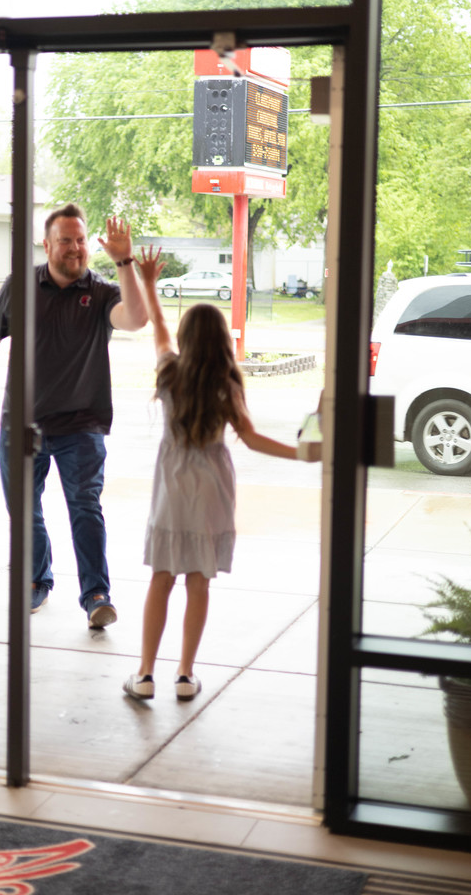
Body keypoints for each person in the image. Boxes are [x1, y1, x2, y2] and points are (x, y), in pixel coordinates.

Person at [123, 246, 321, 702]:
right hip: (212, 488)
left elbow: (158, 328)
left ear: (189, 339)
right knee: (198, 582)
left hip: (172, 486)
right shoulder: (227, 384)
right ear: (221, 342)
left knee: (162, 577)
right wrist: (303, 454)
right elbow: (251, 438)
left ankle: (146, 674)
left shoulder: (170, 373)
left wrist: (150, 284)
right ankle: (186, 676)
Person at [0, 203, 148, 628]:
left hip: (80, 425)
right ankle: (36, 579)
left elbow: (136, 319)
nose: (75, 248)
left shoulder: (101, 292)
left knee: (85, 508)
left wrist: (124, 261)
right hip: (21, 424)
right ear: (47, 244)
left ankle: (96, 594)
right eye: (66, 240)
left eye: (81, 240)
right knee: (24, 508)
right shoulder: (20, 286)